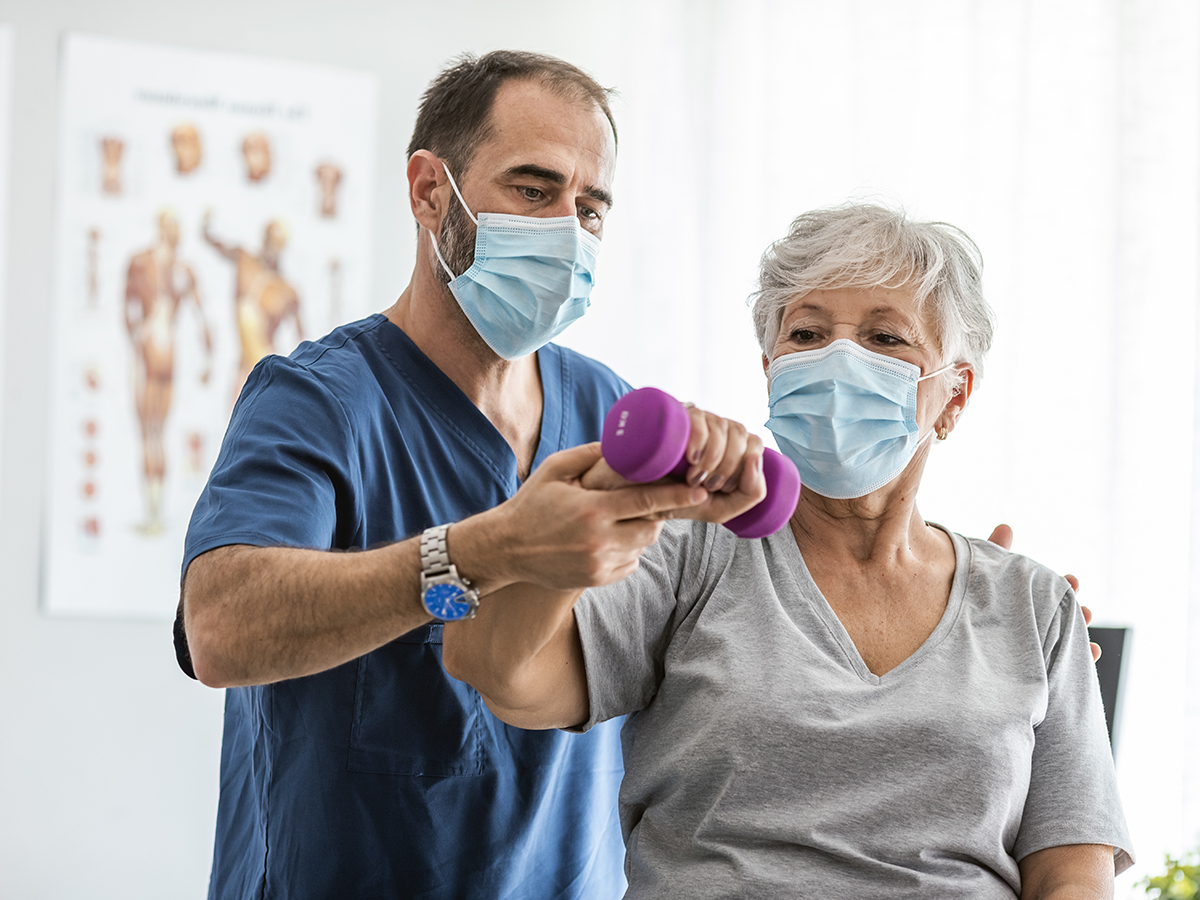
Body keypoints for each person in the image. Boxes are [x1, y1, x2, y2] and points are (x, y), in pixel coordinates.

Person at [176, 51, 764, 900]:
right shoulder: (318, 401)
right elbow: (220, 629)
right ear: (429, 192)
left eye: (590, 207)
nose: (567, 229)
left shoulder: (610, 410)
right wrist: (482, 551)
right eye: (534, 189)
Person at [443, 204, 1134, 899]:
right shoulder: (690, 553)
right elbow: (504, 674)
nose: (838, 360)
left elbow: (1072, 872)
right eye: (807, 332)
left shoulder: (1035, 602)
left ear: (953, 397)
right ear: (772, 369)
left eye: (885, 338)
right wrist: (597, 510)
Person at [124, 208, 212, 534]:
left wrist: (209, 359)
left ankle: (154, 514)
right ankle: (154, 513)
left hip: (155, 349)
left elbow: (202, 316)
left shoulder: (176, 269)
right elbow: (129, 311)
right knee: (153, 433)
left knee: (151, 433)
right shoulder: (147, 264)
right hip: (158, 346)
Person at [202, 213, 303, 404]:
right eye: (270, 239)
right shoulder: (245, 261)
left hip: (267, 366)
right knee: (236, 415)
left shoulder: (286, 290)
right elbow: (218, 245)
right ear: (263, 238)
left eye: (278, 243)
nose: (272, 247)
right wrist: (206, 228)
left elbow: (302, 339)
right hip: (244, 365)